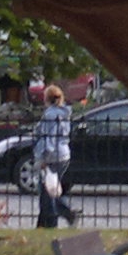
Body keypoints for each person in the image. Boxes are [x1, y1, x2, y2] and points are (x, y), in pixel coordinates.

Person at [32, 84, 76, 228]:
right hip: (64, 154)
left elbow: (48, 137)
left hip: (52, 155)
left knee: (47, 191)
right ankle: (45, 222)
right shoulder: (64, 113)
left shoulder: (50, 114)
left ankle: (54, 219)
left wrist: (45, 157)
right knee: (51, 188)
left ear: (46, 98)